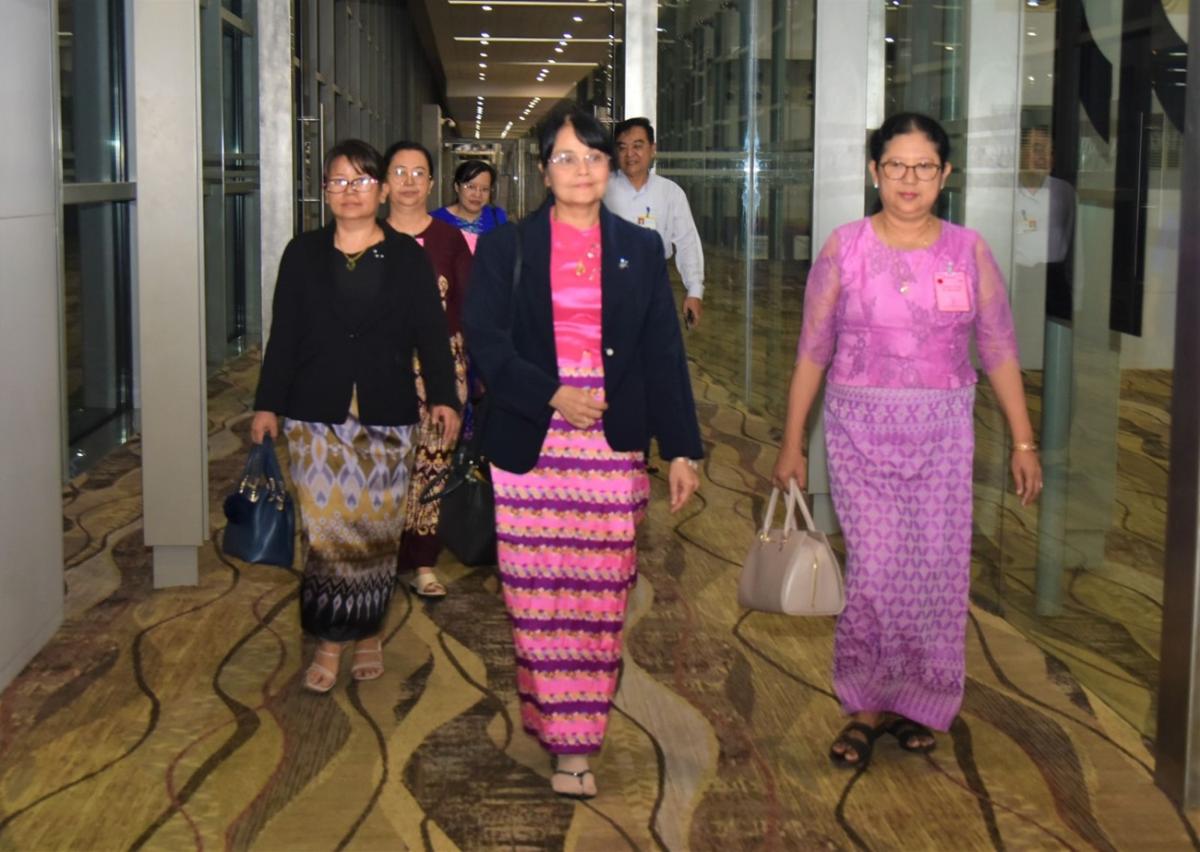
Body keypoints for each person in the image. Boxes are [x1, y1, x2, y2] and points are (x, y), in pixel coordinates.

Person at [772, 113, 1043, 768]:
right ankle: (866, 703)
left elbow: (999, 347)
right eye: (896, 165)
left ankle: (917, 700)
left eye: (924, 166)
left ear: (945, 175)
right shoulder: (845, 248)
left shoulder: (968, 251)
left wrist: (1023, 442)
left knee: (935, 572)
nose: (909, 179)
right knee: (877, 567)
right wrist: (792, 441)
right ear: (875, 172)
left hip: (943, 433)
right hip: (860, 431)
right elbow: (813, 350)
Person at [463, 107, 703, 799]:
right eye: (566, 157)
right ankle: (553, 716)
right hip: (532, 445)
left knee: (599, 598)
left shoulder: (640, 248)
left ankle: (578, 742)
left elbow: (663, 355)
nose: (582, 169)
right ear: (543, 170)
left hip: (609, 445)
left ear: (609, 166)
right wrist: (551, 395)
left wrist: (681, 450)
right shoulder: (508, 247)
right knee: (536, 594)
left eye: (594, 156)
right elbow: (486, 342)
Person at [250, 139, 461, 693]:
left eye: (361, 180)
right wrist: (267, 404)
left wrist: (445, 397)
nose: (350, 191)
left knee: (375, 533)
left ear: (381, 191)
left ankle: (368, 632)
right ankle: (329, 639)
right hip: (314, 415)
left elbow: (431, 335)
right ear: (324, 191)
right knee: (325, 536)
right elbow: (284, 336)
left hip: (387, 413)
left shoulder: (407, 257)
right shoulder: (303, 253)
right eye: (338, 181)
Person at [382, 141, 473, 599]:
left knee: (432, 467)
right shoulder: (367, 235)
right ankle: (381, 559)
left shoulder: (448, 240)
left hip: (441, 369)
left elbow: (468, 306)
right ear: (384, 183)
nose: (409, 182)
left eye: (419, 173)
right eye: (399, 172)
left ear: (432, 183)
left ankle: (422, 562)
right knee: (383, 465)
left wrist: (469, 375)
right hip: (383, 370)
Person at [604, 117, 705, 329]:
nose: (630, 154)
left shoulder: (670, 193)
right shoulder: (601, 190)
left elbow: (687, 243)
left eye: (637, 146)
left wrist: (694, 291)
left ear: (652, 149)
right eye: (623, 147)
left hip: (654, 288)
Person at [432, 159, 508, 253]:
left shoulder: (498, 218)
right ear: (457, 187)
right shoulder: (435, 220)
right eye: (471, 187)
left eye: (485, 189)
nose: (477, 195)